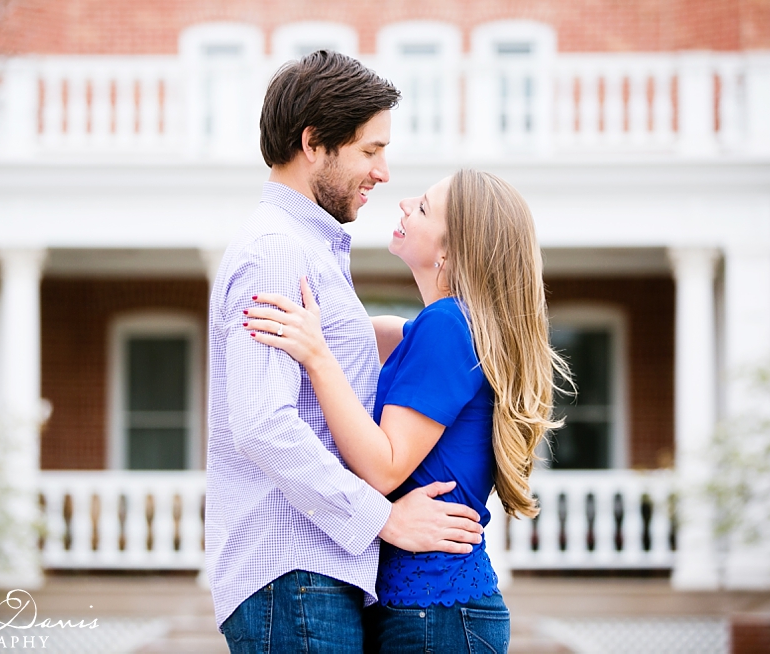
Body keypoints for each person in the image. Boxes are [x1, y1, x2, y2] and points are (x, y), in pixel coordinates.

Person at [205, 51, 486, 654]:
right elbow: (261, 425)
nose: (384, 173)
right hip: (294, 571)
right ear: (314, 143)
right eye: (370, 150)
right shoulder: (278, 251)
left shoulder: (308, 249)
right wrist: (384, 519)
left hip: (314, 574)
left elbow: (382, 344)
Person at [243, 169, 568, 653]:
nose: (403, 204)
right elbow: (362, 331)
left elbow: (383, 466)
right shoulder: (445, 327)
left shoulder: (446, 324)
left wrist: (317, 356)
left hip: (434, 613)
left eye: (422, 208)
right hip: (433, 609)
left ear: (449, 252)